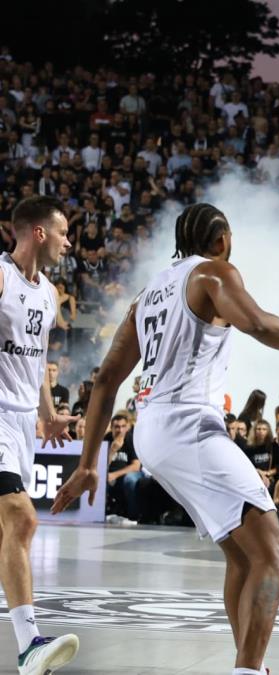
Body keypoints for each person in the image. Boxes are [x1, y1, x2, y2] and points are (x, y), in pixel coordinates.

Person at [53, 203, 279, 675]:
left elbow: (105, 381)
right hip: (189, 427)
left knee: (243, 558)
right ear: (221, 240)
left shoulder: (150, 293)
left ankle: (250, 667)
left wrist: (87, 463)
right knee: (277, 557)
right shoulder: (213, 273)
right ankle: (247, 671)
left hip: (153, 430)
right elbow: (257, 323)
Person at [0, 196, 81, 673]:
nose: (68, 241)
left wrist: (48, 414)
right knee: (22, 519)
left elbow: (39, 362)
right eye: (63, 232)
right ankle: (30, 646)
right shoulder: (3, 276)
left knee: (11, 528)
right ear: (37, 233)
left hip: (23, 420)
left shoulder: (49, 293)